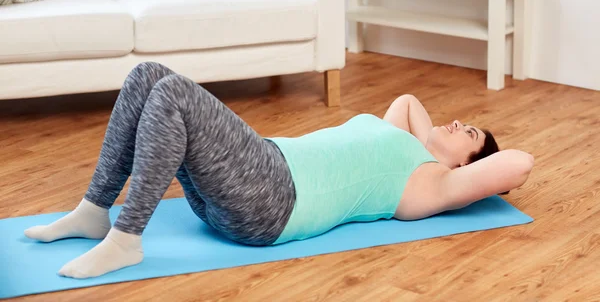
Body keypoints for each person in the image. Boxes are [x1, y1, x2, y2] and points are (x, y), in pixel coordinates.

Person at [24, 62, 535, 279]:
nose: (456, 122)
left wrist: (461, 161)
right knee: (148, 76)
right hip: (252, 172)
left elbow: (519, 162)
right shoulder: (406, 141)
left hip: (273, 200)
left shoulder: (434, 183)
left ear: (467, 166)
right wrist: (435, 139)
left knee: (173, 94)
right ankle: (95, 210)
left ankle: (126, 239)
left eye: (467, 133)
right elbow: (406, 100)